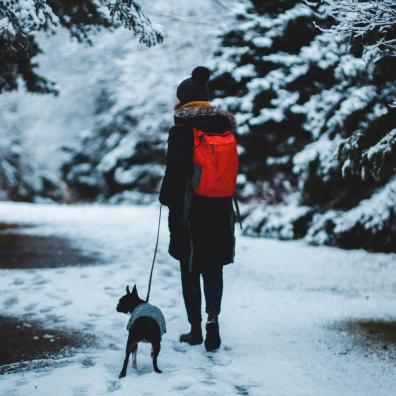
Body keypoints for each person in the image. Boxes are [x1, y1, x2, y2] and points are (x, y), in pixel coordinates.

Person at [159, 66, 237, 352]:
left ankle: (195, 330)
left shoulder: (182, 130)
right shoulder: (225, 127)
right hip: (220, 207)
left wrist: (165, 199)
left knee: (189, 267)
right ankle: (213, 320)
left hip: (189, 210)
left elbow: (174, 174)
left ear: (183, 100)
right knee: (213, 266)